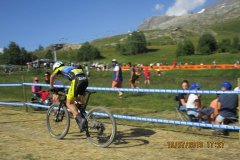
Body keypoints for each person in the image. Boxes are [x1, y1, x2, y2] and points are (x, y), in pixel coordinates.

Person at [50, 61, 88, 132]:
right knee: (78, 102)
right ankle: (84, 120)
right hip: (85, 79)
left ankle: (81, 120)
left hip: (77, 80)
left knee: (69, 103)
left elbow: (52, 76)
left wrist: (52, 87)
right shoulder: (70, 67)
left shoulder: (59, 68)